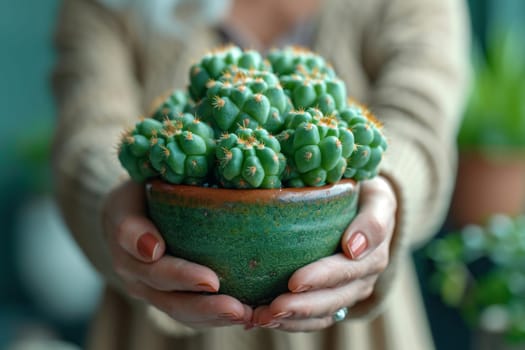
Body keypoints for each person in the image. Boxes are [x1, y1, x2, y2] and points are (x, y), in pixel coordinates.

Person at [51, 0, 470, 349]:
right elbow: (88, 130)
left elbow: (420, 120)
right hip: (154, 324)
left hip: (355, 327)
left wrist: (389, 191)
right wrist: (114, 209)